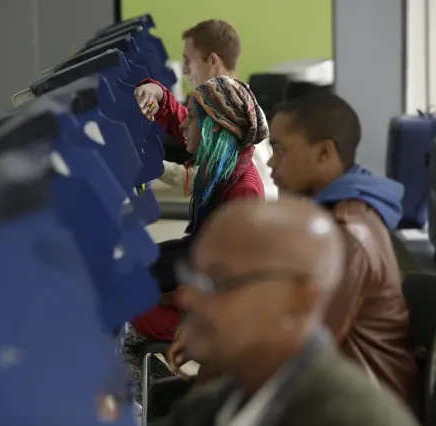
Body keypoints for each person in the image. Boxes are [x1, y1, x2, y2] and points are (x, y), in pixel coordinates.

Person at [165, 92, 421, 418]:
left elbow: (291, 343)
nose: (270, 162)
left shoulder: (346, 235)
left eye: (281, 150)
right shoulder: (327, 218)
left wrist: (211, 361)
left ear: (325, 152)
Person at [153, 198, 418, 426]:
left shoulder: (360, 419)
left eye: (217, 281)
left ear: (299, 303)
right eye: (193, 276)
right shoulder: (213, 405)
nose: (187, 297)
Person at [124, 75, 267, 401]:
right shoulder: (226, 168)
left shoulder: (242, 191)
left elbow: (223, 281)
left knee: (115, 321)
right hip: (205, 302)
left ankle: (169, 406)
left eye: (192, 120)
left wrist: (162, 296)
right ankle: (165, 400)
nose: (183, 127)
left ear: (213, 130)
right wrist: (158, 94)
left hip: (218, 319)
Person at [143, 19, 278, 200]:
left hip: (249, 213)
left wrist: (155, 166)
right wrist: (160, 95)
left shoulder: (231, 108)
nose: (184, 71)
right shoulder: (238, 98)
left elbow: (207, 178)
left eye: (188, 61)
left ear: (213, 60)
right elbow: (191, 125)